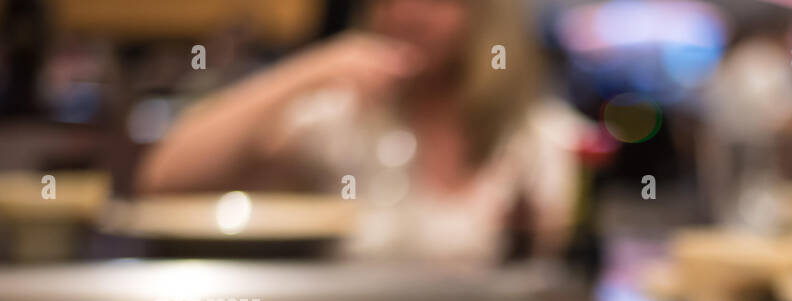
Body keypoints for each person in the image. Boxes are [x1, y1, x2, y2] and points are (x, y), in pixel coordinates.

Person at [137, 0, 587, 262]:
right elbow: (163, 177)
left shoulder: (537, 136)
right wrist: (310, 70)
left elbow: (553, 266)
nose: (407, 12)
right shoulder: (343, 118)